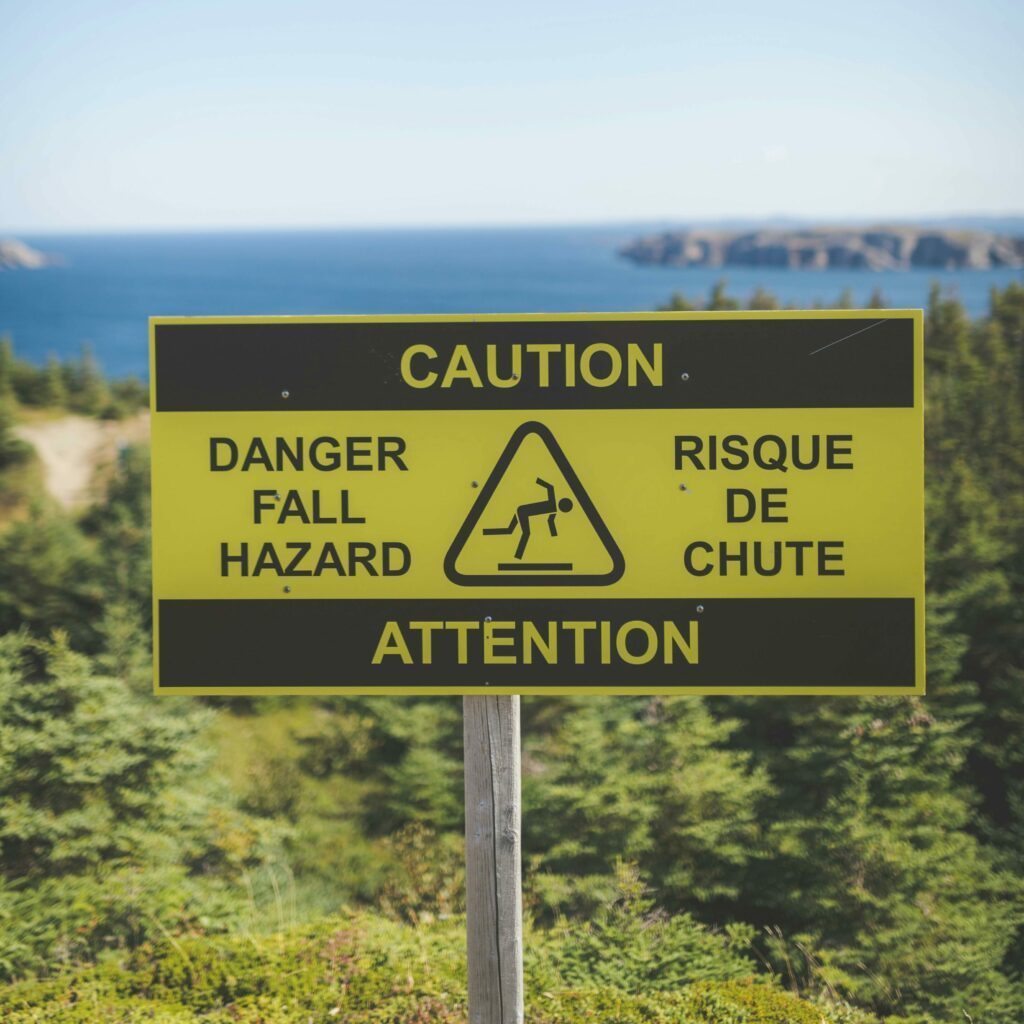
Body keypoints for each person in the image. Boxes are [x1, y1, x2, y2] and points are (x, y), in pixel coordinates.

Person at [483, 478, 573, 560]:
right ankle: (518, 556)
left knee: (509, 530)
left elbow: (550, 487)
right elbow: (550, 520)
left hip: (521, 509)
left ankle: (486, 532)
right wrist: (537, 480)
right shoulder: (553, 508)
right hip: (523, 513)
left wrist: (538, 481)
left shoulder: (553, 508)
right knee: (526, 533)